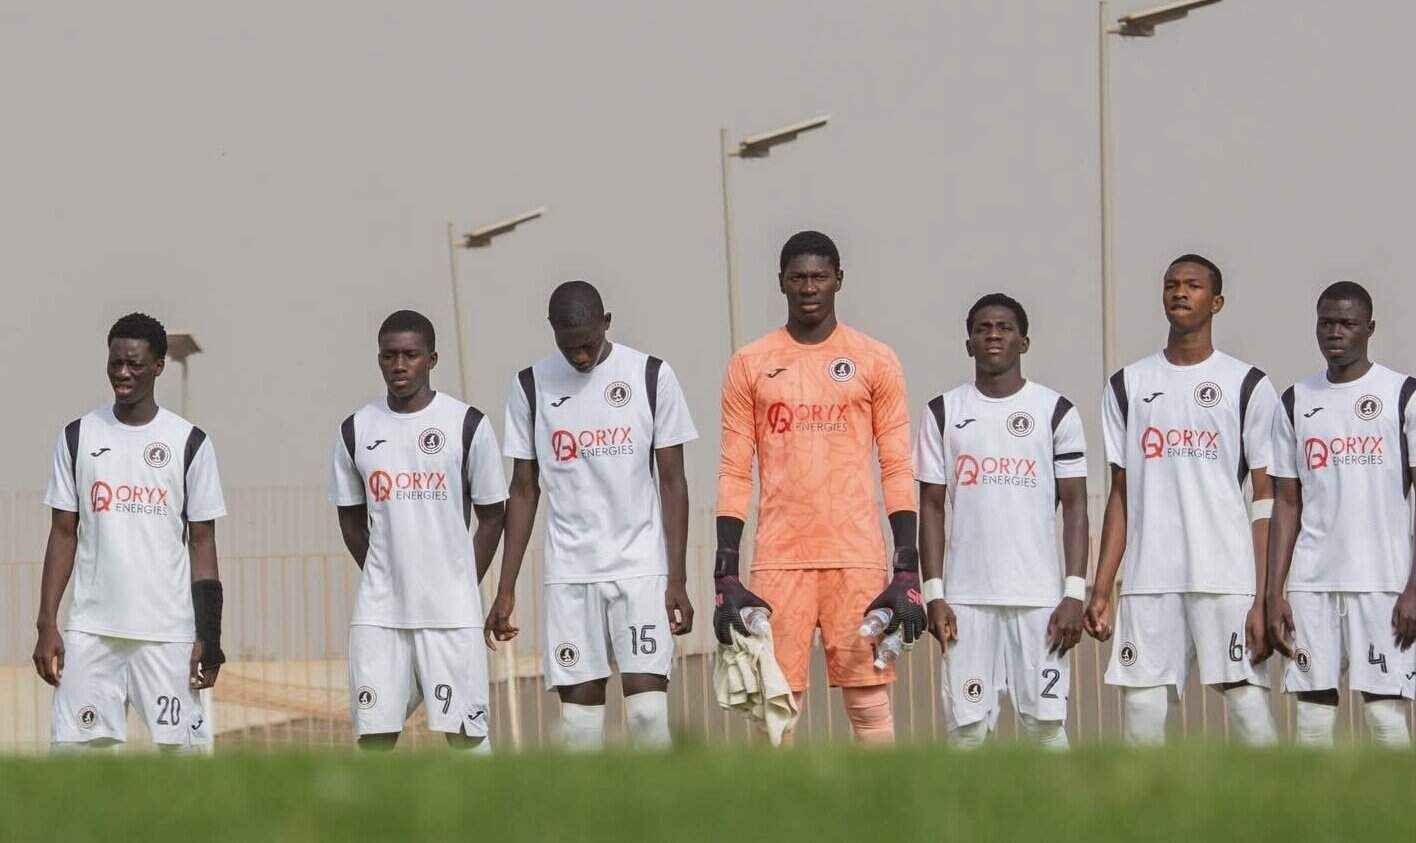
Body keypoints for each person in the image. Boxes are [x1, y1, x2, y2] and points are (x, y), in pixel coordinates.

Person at [712, 230, 922, 745]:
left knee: (868, 701)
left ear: (838, 280)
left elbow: (897, 464)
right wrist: (725, 571)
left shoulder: (875, 359)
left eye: (820, 277)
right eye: (798, 277)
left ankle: (885, 801)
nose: (809, 288)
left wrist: (906, 565)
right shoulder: (750, 363)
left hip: (856, 556)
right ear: (781, 282)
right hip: (779, 558)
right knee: (777, 703)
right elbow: (735, 470)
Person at [486, 281, 697, 749]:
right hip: (570, 575)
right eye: (569, 346)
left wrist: (677, 578)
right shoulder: (530, 386)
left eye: (587, 344)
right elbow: (523, 489)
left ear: (606, 323)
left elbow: (673, 482)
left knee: (647, 716)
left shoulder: (651, 375)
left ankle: (659, 798)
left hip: (640, 570)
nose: (579, 356)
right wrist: (505, 587)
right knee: (580, 728)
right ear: (552, 331)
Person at [1085, 254, 1280, 745]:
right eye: (1171, 284)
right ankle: (1145, 797)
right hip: (1149, 577)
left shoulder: (1248, 384)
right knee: (1143, 707)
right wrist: (1102, 586)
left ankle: (1276, 794)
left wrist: (1264, 594)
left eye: (1193, 285)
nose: (1180, 292)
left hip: (1225, 575)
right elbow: (1120, 492)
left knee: (1245, 700)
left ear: (1216, 302)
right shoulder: (1127, 385)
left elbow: (1265, 497)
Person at [35, 312, 226, 751]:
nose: (123, 373)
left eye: (134, 364)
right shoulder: (78, 436)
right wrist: (46, 622)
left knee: (184, 760)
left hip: (167, 634)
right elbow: (62, 534)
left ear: (158, 366)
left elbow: (202, 543)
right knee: (78, 762)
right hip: (91, 632)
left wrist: (210, 636)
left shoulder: (190, 442)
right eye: (115, 363)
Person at [915, 294, 1089, 749]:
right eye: (983, 329)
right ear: (968, 344)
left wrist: (1074, 593)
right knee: (967, 731)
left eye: (1005, 328)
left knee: (1045, 727)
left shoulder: (1056, 411)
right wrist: (934, 595)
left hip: (1040, 599)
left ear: (1024, 342)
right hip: (966, 600)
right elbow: (931, 508)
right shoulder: (942, 412)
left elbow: (1076, 506)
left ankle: (1064, 802)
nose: (993, 335)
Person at [329, 310, 507, 751]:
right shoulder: (355, 430)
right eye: (389, 356)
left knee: (466, 740)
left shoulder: (467, 424)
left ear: (432, 359)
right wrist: (385, 572)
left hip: (450, 615)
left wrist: (461, 580)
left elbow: (492, 515)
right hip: (379, 614)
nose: (399, 365)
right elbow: (350, 519)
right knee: (374, 740)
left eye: (410, 355)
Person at [1266, 281, 1416, 746]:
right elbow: (1286, 502)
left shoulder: (1402, 394)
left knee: (1385, 715)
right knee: (1312, 718)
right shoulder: (1295, 400)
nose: (1335, 332)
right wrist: (1273, 593)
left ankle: (1396, 797)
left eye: (1347, 323)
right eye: (1326, 322)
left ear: (1369, 328)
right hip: (1312, 582)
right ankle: (1313, 799)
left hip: (1383, 582)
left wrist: (1414, 587)